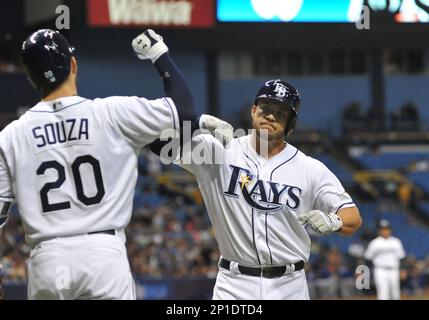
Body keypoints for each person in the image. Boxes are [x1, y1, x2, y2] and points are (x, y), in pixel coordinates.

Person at [0, 29, 231, 300]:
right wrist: (160, 54)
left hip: (47, 258)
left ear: (30, 78)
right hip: (103, 254)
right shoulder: (111, 113)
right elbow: (183, 110)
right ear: (73, 65)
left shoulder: (10, 136)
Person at [154, 79, 362, 299]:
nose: (271, 116)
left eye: (281, 113)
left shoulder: (310, 169)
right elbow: (155, 140)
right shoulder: (218, 151)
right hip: (234, 284)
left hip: (289, 285)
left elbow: (353, 217)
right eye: (266, 108)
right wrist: (197, 123)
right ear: (253, 111)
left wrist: (335, 221)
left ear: (291, 126)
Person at [364, 219, 406, 300]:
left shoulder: (396, 242)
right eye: (383, 229)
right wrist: (363, 271)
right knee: (383, 294)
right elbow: (367, 258)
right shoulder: (374, 243)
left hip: (394, 270)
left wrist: (403, 270)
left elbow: (402, 257)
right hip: (380, 270)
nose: (385, 231)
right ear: (379, 231)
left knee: (395, 294)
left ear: (390, 230)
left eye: (387, 229)